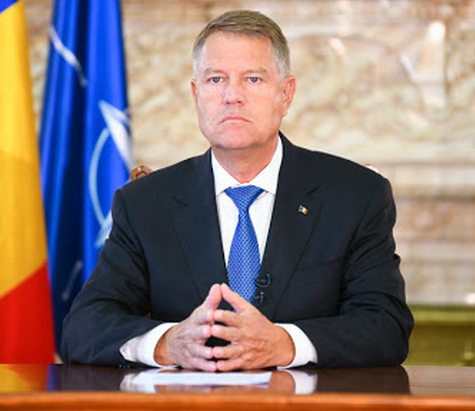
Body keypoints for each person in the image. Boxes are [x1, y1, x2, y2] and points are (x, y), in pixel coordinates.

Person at [61, 10, 413, 371]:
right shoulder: (144, 203)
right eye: (216, 79)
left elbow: (386, 327)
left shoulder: (355, 196)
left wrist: (286, 344)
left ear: (286, 94)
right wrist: (168, 344)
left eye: (253, 79)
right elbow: (82, 327)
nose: (232, 96)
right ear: (196, 94)